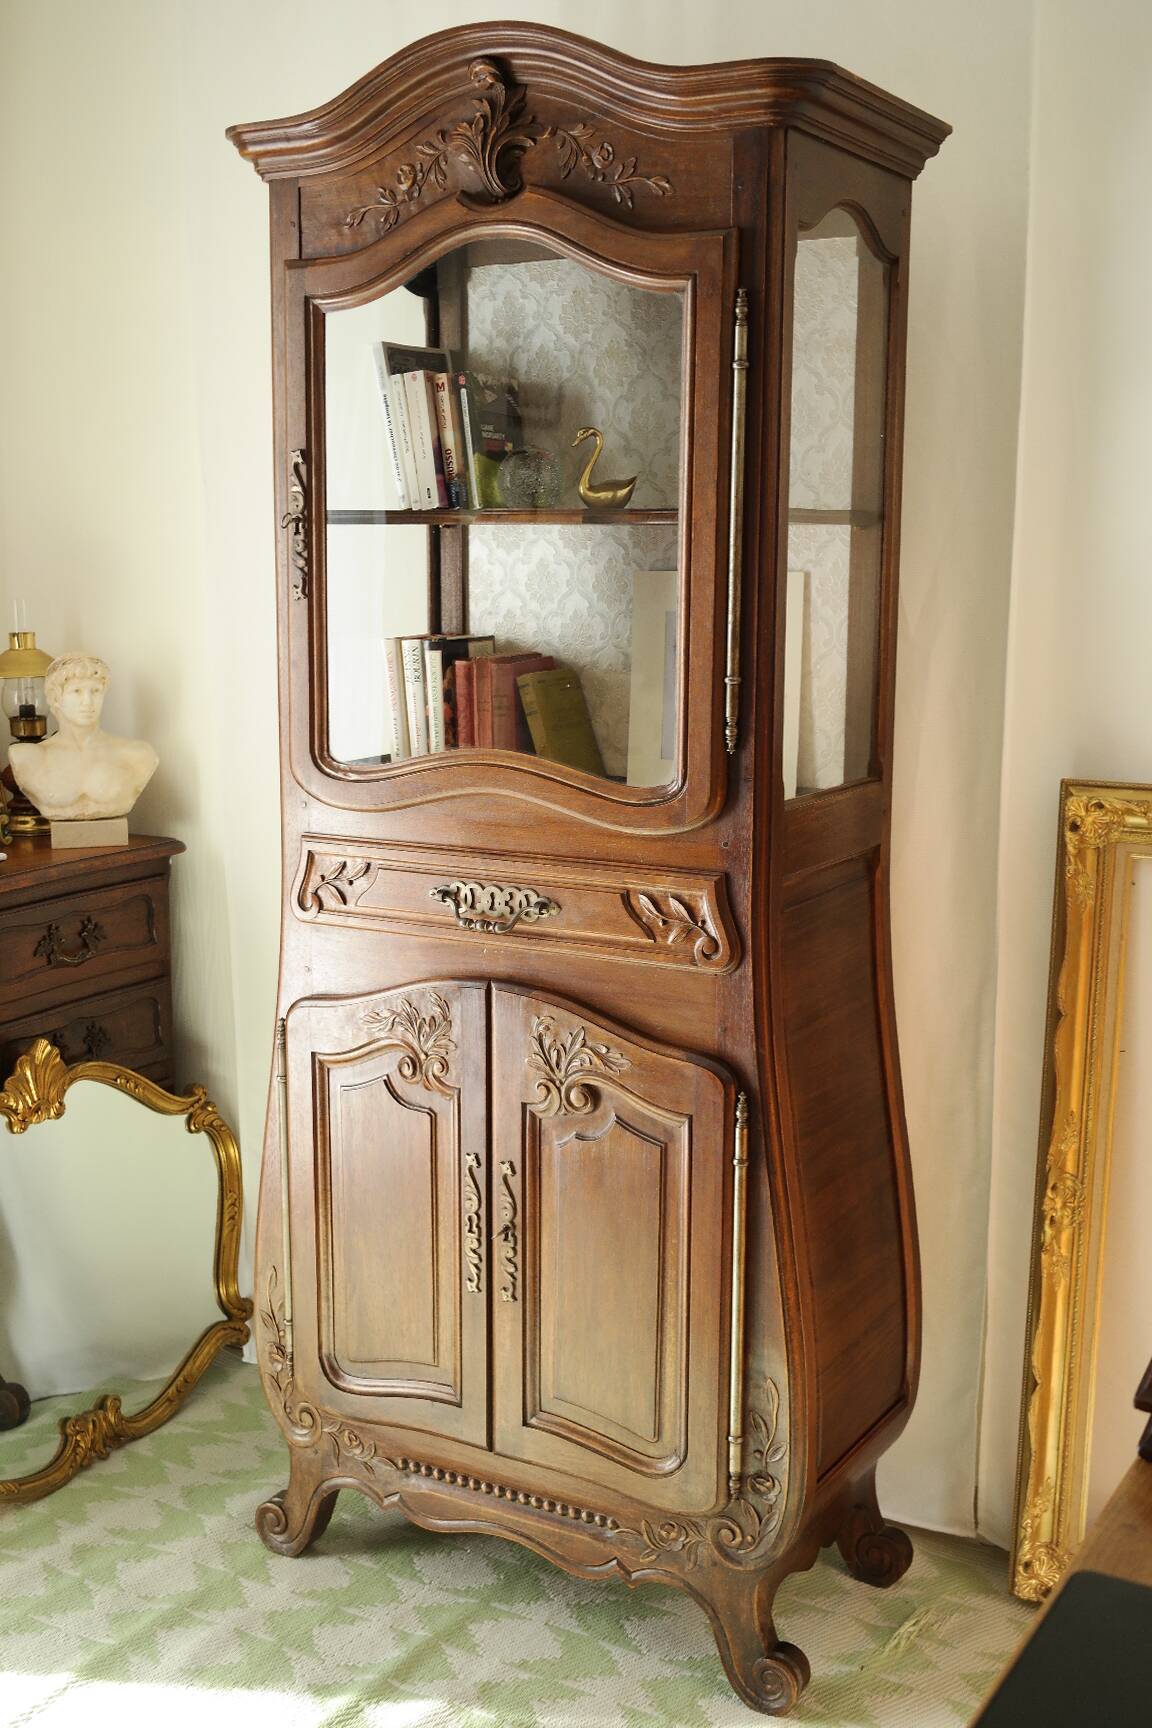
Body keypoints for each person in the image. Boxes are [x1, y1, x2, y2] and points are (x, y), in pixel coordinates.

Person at [9, 652, 157, 821]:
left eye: (95, 691)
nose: (87, 701)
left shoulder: (137, 754)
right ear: (56, 698)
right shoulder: (29, 757)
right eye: (76, 691)